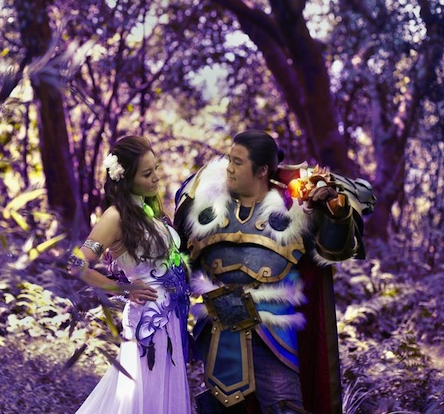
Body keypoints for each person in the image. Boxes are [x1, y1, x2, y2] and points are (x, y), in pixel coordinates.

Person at [173, 130, 375, 414]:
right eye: (230, 160)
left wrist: (335, 211)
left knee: (284, 405)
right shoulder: (204, 202)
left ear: (262, 170)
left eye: (238, 162)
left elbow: (333, 251)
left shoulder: (297, 206)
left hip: (274, 328)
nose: (228, 168)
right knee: (221, 406)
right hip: (220, 325)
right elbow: (179, 258)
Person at [69, 135, 192, 414]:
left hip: (171, 318)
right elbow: (76, 264)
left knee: (160, 393)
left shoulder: (150, 210)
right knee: (142, 394)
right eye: (147, 174)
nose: (156, 178)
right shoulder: (115, 217)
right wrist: (123, 289)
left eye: (155, 169)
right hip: (149, 319)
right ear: (125, 179)